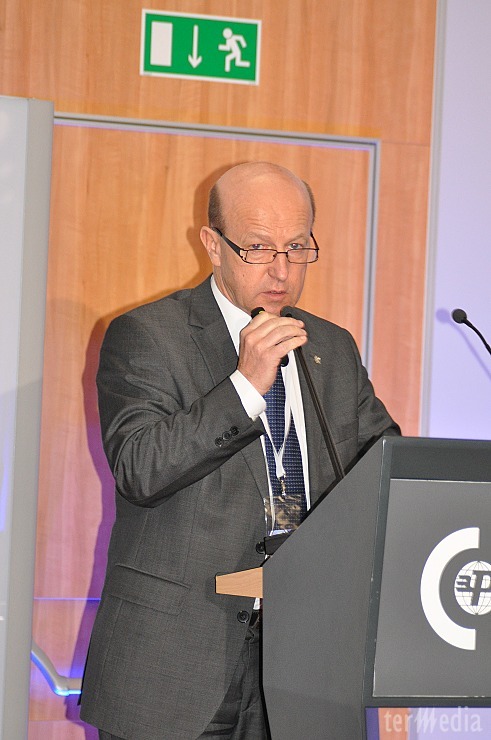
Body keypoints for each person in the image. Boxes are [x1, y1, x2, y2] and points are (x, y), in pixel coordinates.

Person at [80, 162, 399, 739]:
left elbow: (386, 468)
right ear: (213, 244)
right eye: (258, 248)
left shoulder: (330, 347)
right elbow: (140, 468)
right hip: (174, 664)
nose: (281, 269)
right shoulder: (148, 335)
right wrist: (245, 386)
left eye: (296, 247)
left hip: (305, 658)